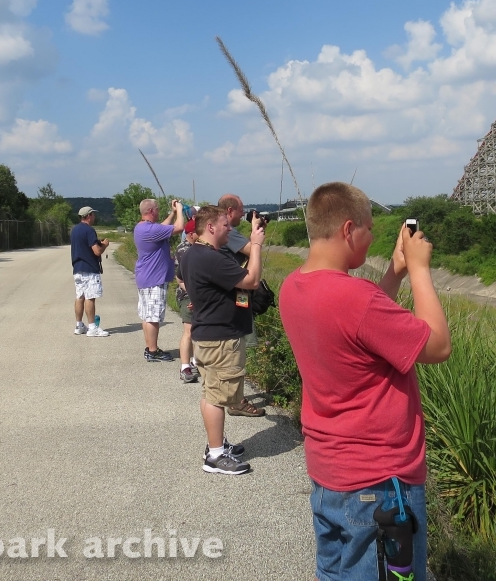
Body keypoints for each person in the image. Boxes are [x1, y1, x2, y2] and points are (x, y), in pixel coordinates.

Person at [278, 183, 451, 581]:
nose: (372, 237)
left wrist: (396, 272)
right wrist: (421, 269)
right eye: (370, 229)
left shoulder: (295, 286)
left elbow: (358, 324)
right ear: (349, 229)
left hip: (330, 475)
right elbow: (438, 346)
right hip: (379, 484)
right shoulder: (356, 298)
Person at [178, 205, 265, 475]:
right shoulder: (210, 258)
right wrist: (256, 244)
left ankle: (216, 444)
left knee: (210, 392)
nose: (231, 228)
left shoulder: (194, 253)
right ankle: (215, 456)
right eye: (226, 224)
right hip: (221, 339)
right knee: (218, 397)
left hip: (207, 334)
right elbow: (250, 280)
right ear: (211, 227)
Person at [217, 194, 266, 417]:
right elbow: (252, 251)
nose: (243, 214)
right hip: (236, 294)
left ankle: (232, 394)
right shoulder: (231, 233)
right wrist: (256, 236)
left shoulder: (223, 232)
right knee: (236, 346)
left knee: (233, 345)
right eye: (241, 210)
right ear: (229, 211)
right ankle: (236, 399)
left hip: (234, 293)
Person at [134, 198, 185, 362]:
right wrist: (180, 209)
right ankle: (153, 351)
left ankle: (150, 347)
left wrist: (173, 213)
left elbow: (162, 227)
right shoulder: (150, 230)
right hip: (154, 279)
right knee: (153, 317)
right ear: (151, 211)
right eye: (156, 209)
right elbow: (179, 227)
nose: (158, 211)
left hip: (145, 277)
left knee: (146, 315)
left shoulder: (142, 228)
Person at [71, 206, 111, 337]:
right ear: (88, 216)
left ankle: (79, 325)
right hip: (89, 268)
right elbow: (97, 251)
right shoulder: (89, 230)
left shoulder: (75, 230)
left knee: (80, 296)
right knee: (90, 297)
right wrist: (104, 244)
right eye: (93, 214)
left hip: (77, 268)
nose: (94, 217)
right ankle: (92, 327)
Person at [174, 217, 201, 383]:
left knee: (199, 330)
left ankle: (196, 361)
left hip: (198, 294)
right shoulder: (185, 249)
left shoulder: (197, 247)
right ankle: (185, 366)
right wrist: (193, 297)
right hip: (187, 294)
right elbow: (184, 279)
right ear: (191, 234)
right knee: (189, 330)